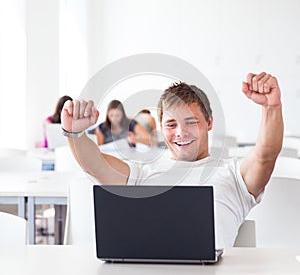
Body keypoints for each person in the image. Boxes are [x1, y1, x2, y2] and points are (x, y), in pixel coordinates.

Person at [61, 72, 283, 248]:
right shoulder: (141, 173)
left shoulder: (234, 174)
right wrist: (75, 134)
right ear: (161, 127)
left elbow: (266, 155)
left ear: (209, 122)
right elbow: (96, 165)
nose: (181, 133)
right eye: (171, 125)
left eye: (191, 122)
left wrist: (271, 108)